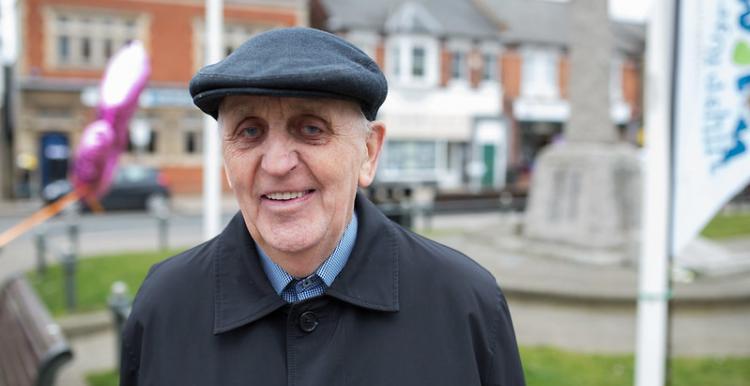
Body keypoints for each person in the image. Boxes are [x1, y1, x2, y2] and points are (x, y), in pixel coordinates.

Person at [120, 27, 525, 386]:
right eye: (250, 132)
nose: (277, 164)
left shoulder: (466, 305)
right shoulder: (164, 307)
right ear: (226, 159)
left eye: (311, 129)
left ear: (369, 152)